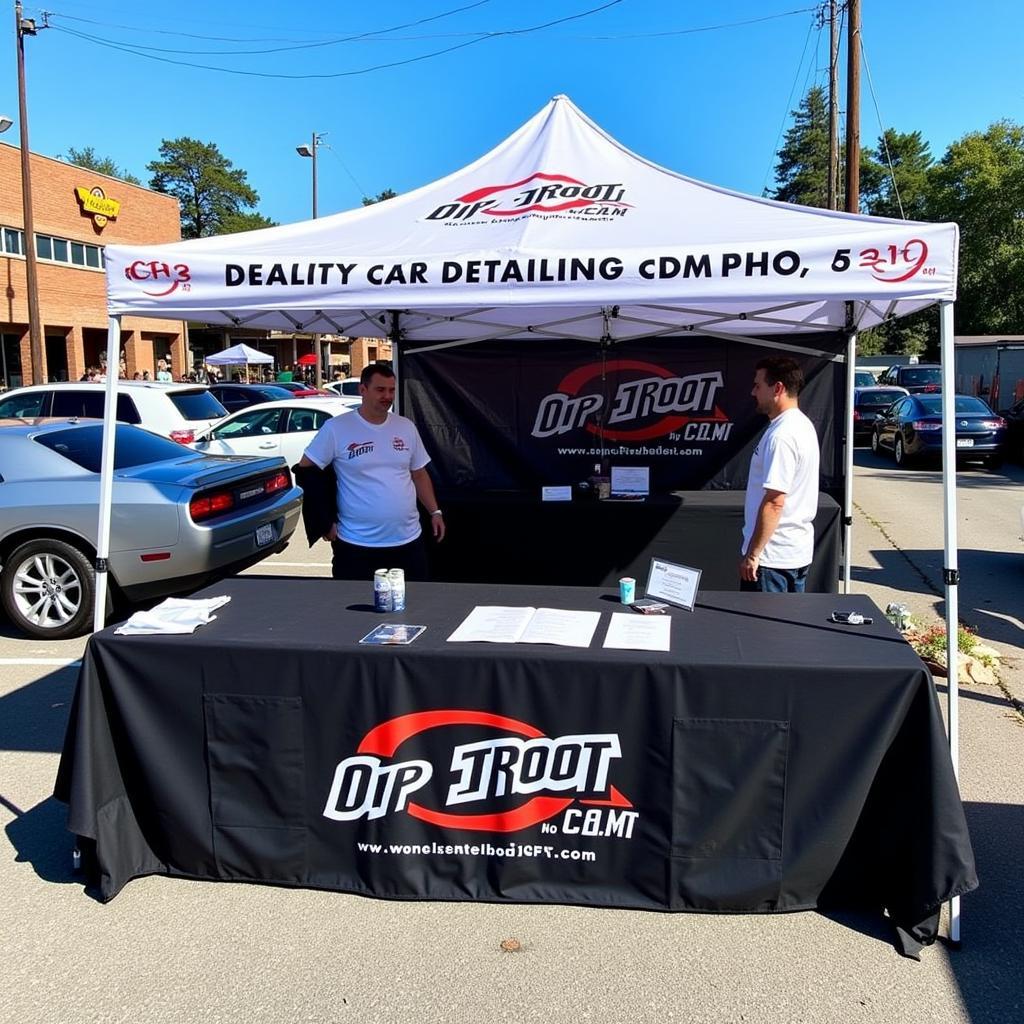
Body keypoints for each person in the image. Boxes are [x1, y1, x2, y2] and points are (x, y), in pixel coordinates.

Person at [299, 361, 445, 581]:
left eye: (391, 390)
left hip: (408, 540)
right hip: (356, 544)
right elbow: (306, 471)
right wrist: (323, 522)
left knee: (415, 608)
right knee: (354, 610)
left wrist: (435, 512)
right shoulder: (337, 428)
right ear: (362, 390)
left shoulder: (405, 427)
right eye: (380, 389)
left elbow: (419, 474)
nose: (387, 396)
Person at [739, 356, 820, 593]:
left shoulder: (782, 435)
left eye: (758, 385)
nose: (753, 392)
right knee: (785, 628)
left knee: (762, 630)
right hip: (792, 553)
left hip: (772, 559)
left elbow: (775, 501)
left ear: (778, 388)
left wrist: (753, 555)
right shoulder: (801, 425)